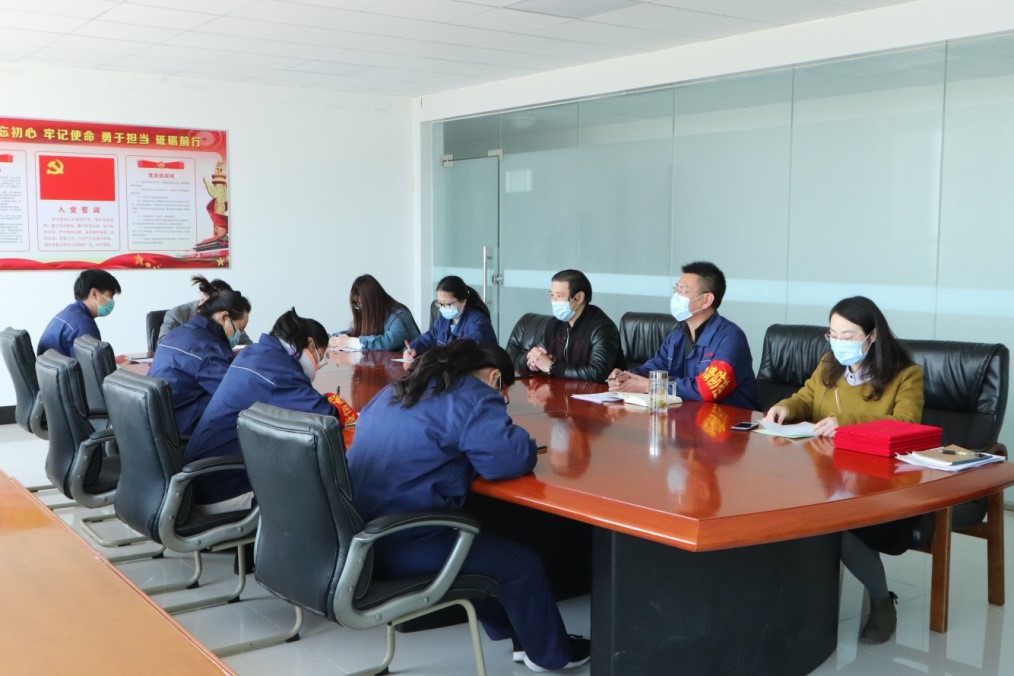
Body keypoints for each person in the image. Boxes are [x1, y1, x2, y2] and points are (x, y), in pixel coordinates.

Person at [347, 341, 590, 672]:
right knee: (521, 565)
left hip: (359, 538)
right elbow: (507, 460)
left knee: (484, 548)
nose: (503, 399)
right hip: (403, 541)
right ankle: (550, 655)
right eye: (504, 391)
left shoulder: (397, 390)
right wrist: (520, 438)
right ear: (494, 377)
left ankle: (521, 637)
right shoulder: (473, 396)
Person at [762, 295, 924, 644]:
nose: (838, 343)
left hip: (880, 481)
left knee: (837, 527)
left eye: (848, 336)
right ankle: (795, 600)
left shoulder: (905, 375)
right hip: (827, 473)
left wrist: (844, 422)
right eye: (832, 335)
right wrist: (785, 408)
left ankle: (882, 601)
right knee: (782, 509)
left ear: (873, 336)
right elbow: (806, 398)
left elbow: (906, 423)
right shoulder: (829, 364)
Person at [185, 308, 335, 514]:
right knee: (318, 487)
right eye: (320, 358)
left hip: (199, 480)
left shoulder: (254, 353)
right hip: (221, 489)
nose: (317, 365)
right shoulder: (278, 370)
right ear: (310, 343)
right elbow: (326, 417)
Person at [607, 261, 759, 411]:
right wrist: (626, 377)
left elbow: (707, 390)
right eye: (676, 290)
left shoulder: (730, 338)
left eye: (683, 291)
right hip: (687, 417)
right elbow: (656, 367)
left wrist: (649, 385)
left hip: (729, 420)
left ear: (706, 300)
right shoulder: (678, 334)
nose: (676, 297)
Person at [148, 288, 251, 436]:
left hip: (161, 426)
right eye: (239, 329)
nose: (239, 335)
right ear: (223, 317)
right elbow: (236, 394)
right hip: (183, 432)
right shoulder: (208, 350)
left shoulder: (179, 333)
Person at [517, 269, 624, 383]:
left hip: (598, 392)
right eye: (552, 295)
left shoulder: (602, 328)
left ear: (579, 297)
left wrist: (552, 367)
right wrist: (531, 362)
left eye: (559, 296)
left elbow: (597, 372)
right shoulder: (554, 324)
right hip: (562, 389)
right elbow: (530, 357)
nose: (554, 301)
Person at [403, 275, 497, 359]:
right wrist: (412, 349)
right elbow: (427, 339)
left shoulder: (478, 322)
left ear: (463, 301)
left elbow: (464, 352)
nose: (443, 308)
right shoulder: (443, 320)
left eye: (447, 304)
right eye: (440, 304)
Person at [37, 269, 121, 357]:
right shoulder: (84, 326)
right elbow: (94, 364)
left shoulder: (69, 314)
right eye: (110, 296)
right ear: (94, 294)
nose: (112, 301)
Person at [329, 274, 420, 351]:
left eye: (361, 305)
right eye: (357, 305)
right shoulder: (374, 315)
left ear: (373, 302)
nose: (360, 309)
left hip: (408, 366)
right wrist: (335, 339)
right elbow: (355, 332)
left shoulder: (399, 315)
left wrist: (350, 342)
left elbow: (386, 342)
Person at [158, 275, 251, 345]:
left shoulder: (229, 320)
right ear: (202, 298)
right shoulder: (176, 315)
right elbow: (164, 345)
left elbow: (247, 345)